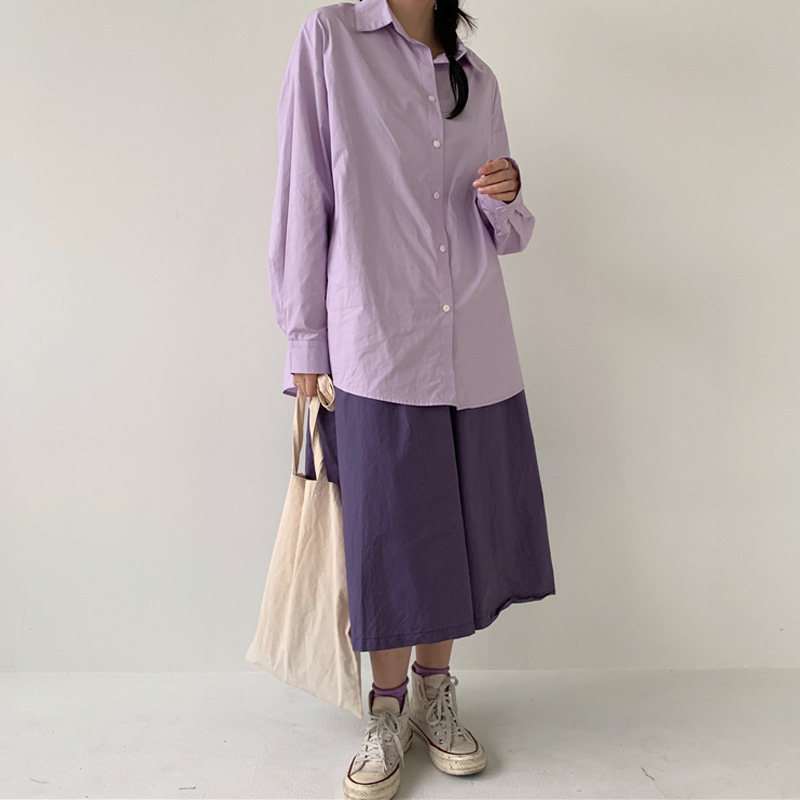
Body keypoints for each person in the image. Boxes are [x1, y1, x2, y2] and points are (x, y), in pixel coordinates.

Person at [268, 0, 556, 796]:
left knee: (457, 527)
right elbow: (303, 193)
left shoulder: (475, 77)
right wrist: (305, 340)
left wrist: (506, 192)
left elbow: (509, 230)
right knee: (391, 530)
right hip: (377, 339)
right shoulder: (331, 39)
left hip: (474, 342)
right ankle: (386, 708)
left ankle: (435, 694)